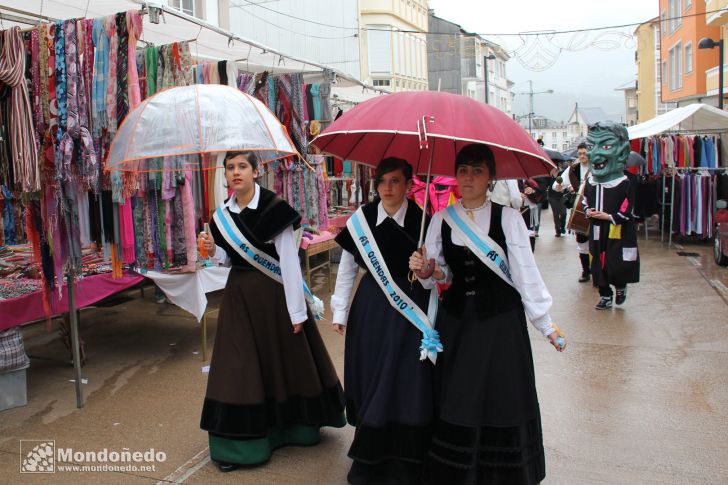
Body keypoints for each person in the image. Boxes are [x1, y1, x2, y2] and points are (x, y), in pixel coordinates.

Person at [409, 144, 564, 485]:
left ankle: (502, 474)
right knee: (460, 397)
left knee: (502, 396)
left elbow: (525, 271)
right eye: (463, 170)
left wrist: (545, 323)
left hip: (501, 325)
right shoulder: (440, 219)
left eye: (476, 171)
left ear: (490, 177)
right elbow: (443, 275)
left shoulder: (508, 217)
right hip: (458, 325)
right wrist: (427, 270)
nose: (468, 177)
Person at [199, 151, 345, 472]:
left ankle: (295, 429)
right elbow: (227, 259)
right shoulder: (220, 215)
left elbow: (289, 263)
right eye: (230, 168)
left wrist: (296, 313)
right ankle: (240, 446)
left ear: (255, 171)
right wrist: (214, 251)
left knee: (283, 364)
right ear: (225, 175)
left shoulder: (273, 209)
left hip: (274, 298)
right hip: (239, 299)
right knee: (239, 369)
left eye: (242, 167)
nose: (236, 173)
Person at [331, 157, 436, 484]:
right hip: (372, 308)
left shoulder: (424, 221)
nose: (388, 188)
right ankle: (370, 455)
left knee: (406, 382)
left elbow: (433, 280)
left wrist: (426, 271)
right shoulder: (361, 220)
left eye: (395, 181)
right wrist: (339, 310)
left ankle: (406, 459)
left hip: (411, 311)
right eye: (382, 181)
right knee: (372, 376)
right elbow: (347, 268)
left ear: (408, 184)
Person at [582, 122, 640, 310]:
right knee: (597, 260)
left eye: (606, 146)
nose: (595, 153)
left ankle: (620, 285)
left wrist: (608, 216)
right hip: (597, 229)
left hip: (618, 230)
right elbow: (584, 202)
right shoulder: (590, 182)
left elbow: (628, 209)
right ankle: (604, 294)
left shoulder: (626, 183)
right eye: (591, 147)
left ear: (623, 152)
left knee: (617, 261)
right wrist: (588, 212)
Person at [552, 143, 591, 282]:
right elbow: (557, 186)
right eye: (580, 153)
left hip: (594, 209)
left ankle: (598, 271)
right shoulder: (573, 169)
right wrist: (559, 186)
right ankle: (586, 270)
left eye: (584, 153)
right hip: (578, 210)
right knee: (582, 242)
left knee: (597, 242)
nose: (582, 156)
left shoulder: (597, 167)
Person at [546, 166, 568, 237]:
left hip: (562, 196)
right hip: (552, 196)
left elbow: (567, 182)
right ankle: (558, 230)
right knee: (556, 214)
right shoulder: (549, 174)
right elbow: (545, 184)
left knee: (563, 213)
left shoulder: (563, 173)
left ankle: (562, 226)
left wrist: (564, 188)